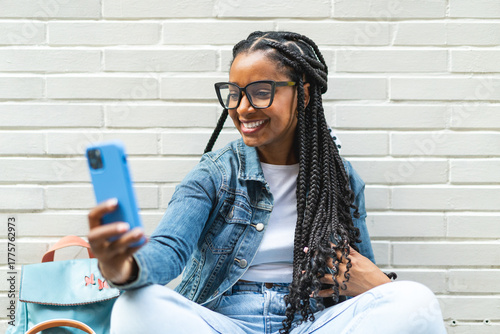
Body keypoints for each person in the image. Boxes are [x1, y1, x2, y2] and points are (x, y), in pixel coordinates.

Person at [87, 31, 446, 334]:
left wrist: (380, 284)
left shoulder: (340, 178)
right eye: (234, 92)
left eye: (260, 91)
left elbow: (362, 281)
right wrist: (124, 267)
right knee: (134, 305)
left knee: (415, 300)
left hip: (312, 322)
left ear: (303, 95)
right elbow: (168, 249)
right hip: (225, 322)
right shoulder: (214, 174)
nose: (242, 108)